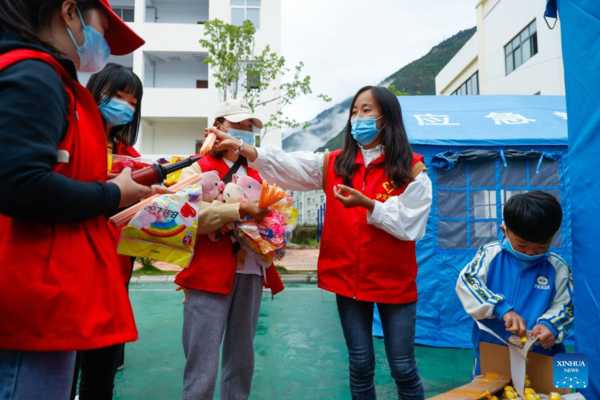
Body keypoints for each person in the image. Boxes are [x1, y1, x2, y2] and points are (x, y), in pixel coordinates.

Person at [207, 86, 432, 400]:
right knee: (360, 364)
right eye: (354, 111)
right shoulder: (334, 164)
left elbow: (411, 224)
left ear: (387, 118)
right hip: (347, 281)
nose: (358, 118)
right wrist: (248, 151)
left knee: (403, 367)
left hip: (394, 282)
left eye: (367, 111)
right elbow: (289, 166)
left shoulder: (412, 169)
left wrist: (369, 205)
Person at [0, 1, 160, 398]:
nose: (103, 43)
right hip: (36, 298)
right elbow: (20, 183)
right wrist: (113, 193)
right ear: (69, 12)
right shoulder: (34, 75)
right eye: (102, 29)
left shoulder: (46, 77)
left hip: (55, 291)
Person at [175, 99, 284, 400]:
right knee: (202, 360)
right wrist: (237, 210)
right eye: (239, 124)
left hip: (249, 272)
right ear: (219, 126)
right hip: (208, 273)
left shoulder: (259, 174)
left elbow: (271, 220)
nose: (246, 131)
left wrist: (273, 231)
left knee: (242, 357)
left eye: (250, 126)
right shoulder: (197, 167)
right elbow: (189, 216)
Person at [68, 63, 145, 400]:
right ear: (95, 90)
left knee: (101, 376)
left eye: (132, 102)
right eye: (117, 96)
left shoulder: (134, 160)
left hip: (115, 272)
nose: (124, 107)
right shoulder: (71, 140)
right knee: (63, 370)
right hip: (71, 271)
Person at [455, 191, 574, 376]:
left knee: (564, 393)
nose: (531, 252)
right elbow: (468, 282)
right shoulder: (489, 254)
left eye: (542, 246)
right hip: (492, 351)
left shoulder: (558, 266)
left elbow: (567, 306)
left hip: (544, 355)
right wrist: (500, 308)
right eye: (522, 244)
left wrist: (551, 325)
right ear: (504, 231)